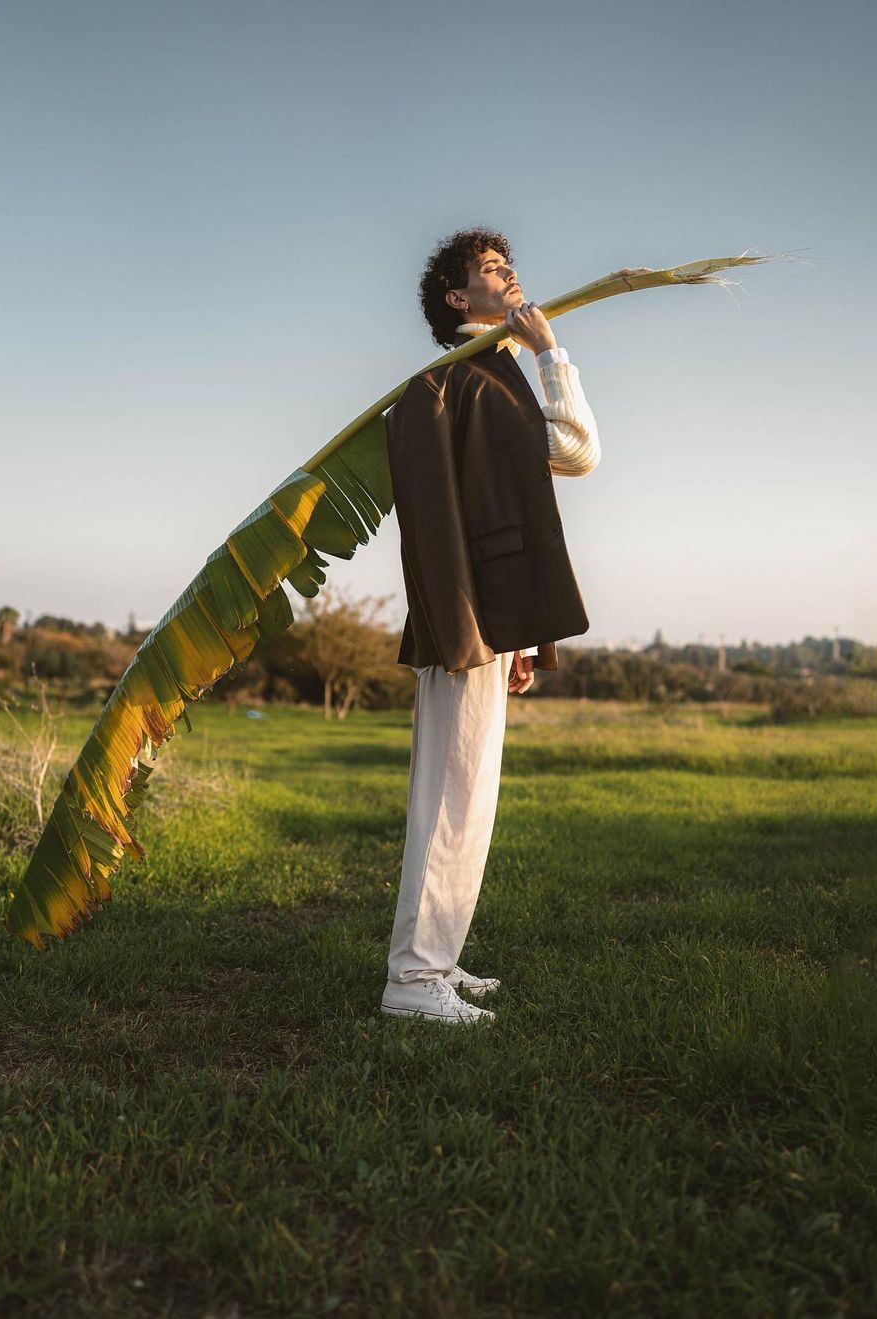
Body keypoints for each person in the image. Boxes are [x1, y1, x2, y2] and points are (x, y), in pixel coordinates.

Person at [379, 226, 650, 1025]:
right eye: (493, 269)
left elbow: (500, 504)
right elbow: (574, 452)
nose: (511, 274)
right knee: (451, 800)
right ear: (458, 296)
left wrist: (521, 634)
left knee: (471, 800)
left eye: (509, 264)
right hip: (465, 623)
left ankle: (438, 960)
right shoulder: (458, 379)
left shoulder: (487, 374)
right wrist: (551, 352)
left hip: (488, 622)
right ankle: (413, 979)